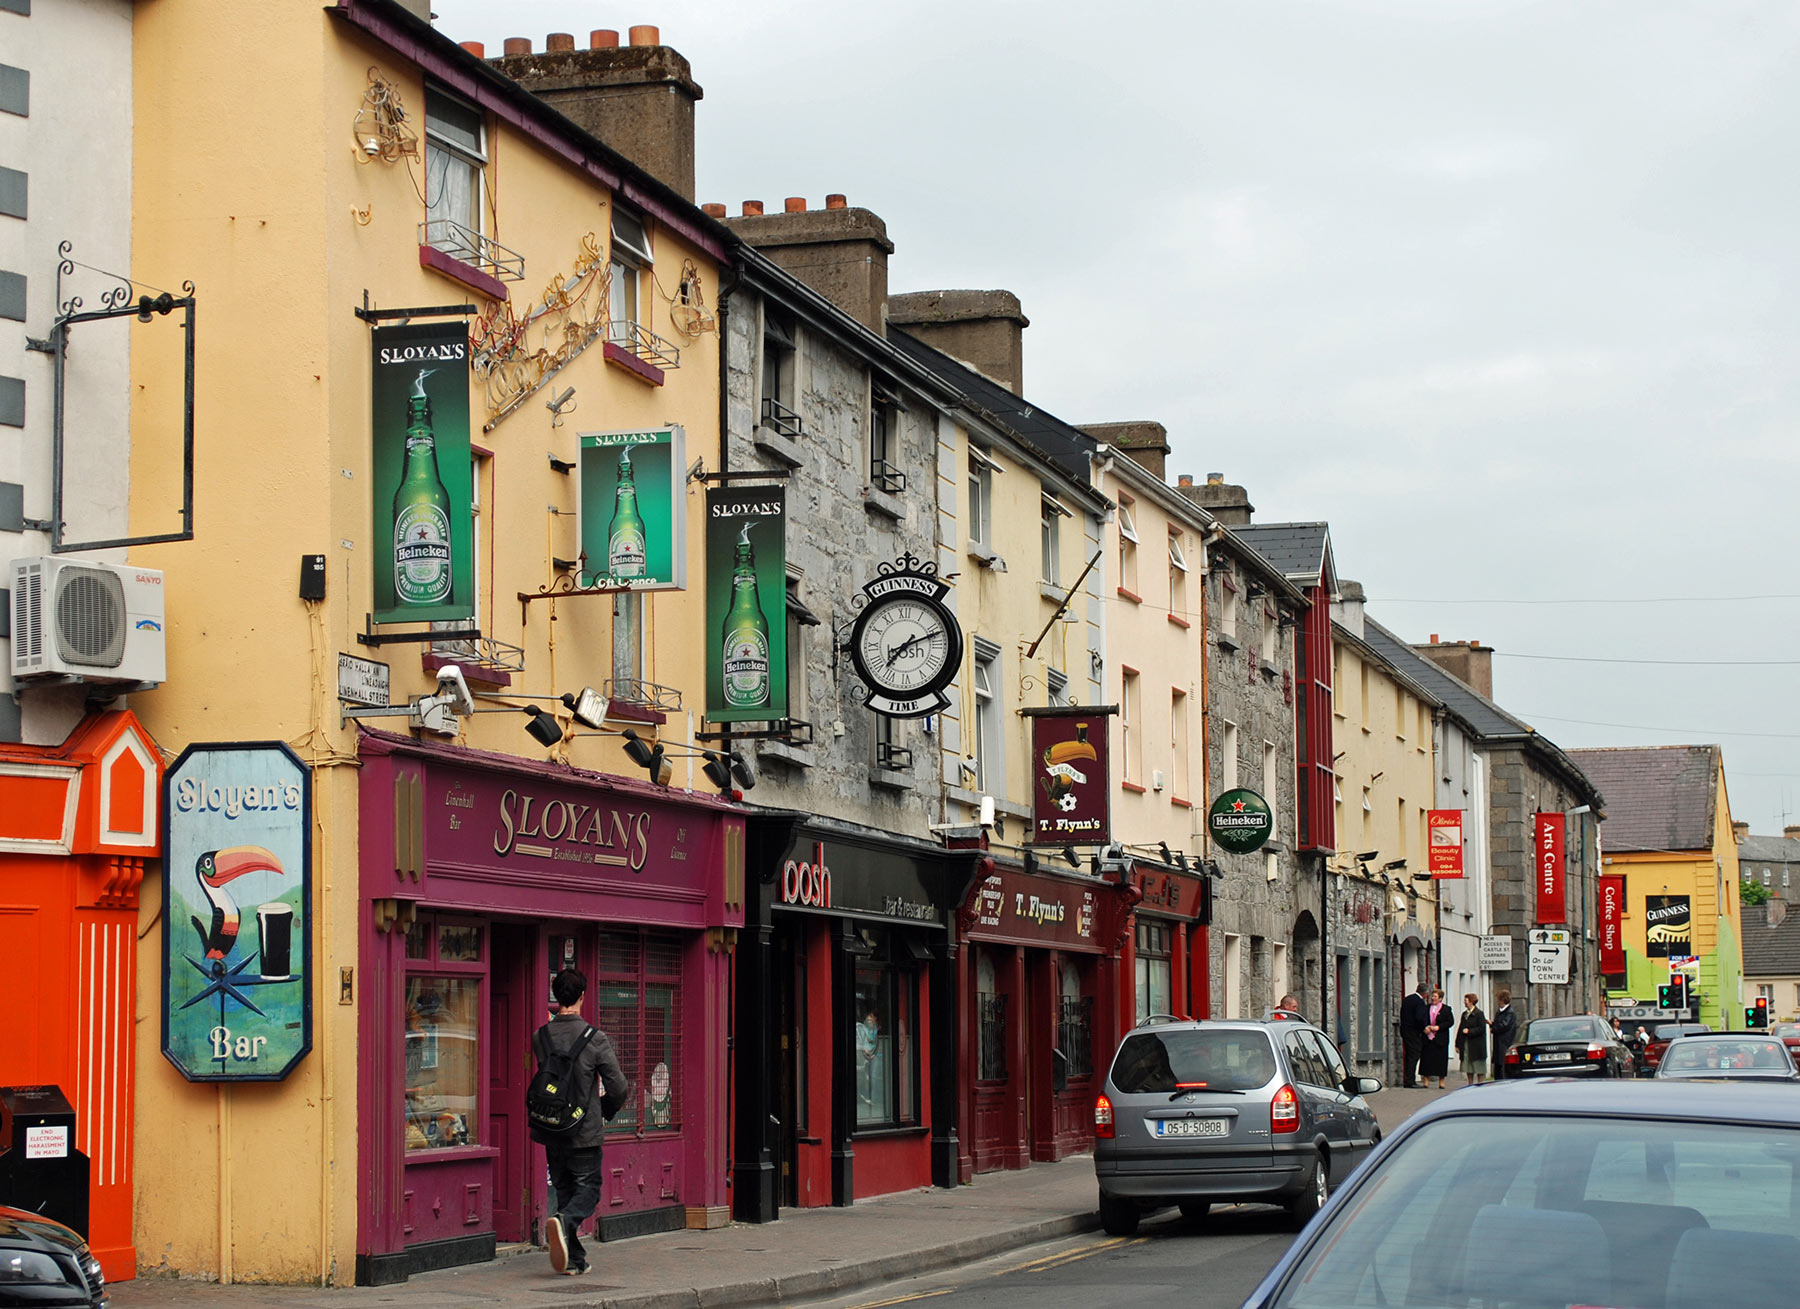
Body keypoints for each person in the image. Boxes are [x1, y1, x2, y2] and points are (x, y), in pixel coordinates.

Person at [534, 967, 630, 1278]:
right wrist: (602, 1111)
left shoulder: (541, 1036)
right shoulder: (595, 1038)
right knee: (589, 1190)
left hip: (551, 1127)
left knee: (564, 1189)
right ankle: (563, 1223)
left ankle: (574, 1260)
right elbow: (619, 1086)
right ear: (583, 997)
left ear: (556, 994)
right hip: (584, 1131)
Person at [1399, 980, 1430, 1088]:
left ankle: (1408, 1079)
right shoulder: (1419, 1002)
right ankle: (1410, 1080)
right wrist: (1424, 1028)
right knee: (1414, 1055)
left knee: (1409, 1054)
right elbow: (1419, 1018)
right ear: (1425, 994)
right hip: (1413, 1031)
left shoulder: (1407, 999)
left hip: (1405, 1029)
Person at [1420, 987, 1452, 1089]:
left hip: (1440, 1038)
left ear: (1440, 998)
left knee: (1440, 1060)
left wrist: (1439, 1027)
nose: (1433, 998)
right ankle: (1426, 1080)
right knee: (1426, 1059)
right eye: (1432, 996)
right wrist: (1425, 1027)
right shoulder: (1426, 1007)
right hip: (1428, 1037)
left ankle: (1441, 1081)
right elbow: (1422, 1019)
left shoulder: (1446, 1009)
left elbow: (1450, 1022)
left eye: (1435, 996)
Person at [1455, 992, 1490, 1086]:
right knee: (1467, 1064)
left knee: (1478, 1065)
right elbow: (1460, 1028)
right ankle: (1469, 1084)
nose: (1464, 1002)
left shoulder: (1479, 1014)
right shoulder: (1464, 1014)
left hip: (1477, 1045)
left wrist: (1470, 1031)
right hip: (1466, 1043)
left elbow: (1482, 1029)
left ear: (1471, 1002)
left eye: (1466, 1000)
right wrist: (1457, 1044)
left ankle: (1480, 1084)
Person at [1490, 988, 1518, 1081]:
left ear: (1503, 1000)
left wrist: (1493, 1027)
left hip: (1505, 1042)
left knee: (1502, 1064)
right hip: (1499, 1041)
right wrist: (1492, 1024)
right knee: (1497, 1064)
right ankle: (1497, 1080)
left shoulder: (1509, 1012)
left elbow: (1503, 1025)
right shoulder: (1500, 1011)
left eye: (1498, 999)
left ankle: (1502, 1081)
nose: (1497, 1002)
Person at [856, 1010, 880, 1108]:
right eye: (868, 1017)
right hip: (865, 1054)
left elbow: (872, 1042)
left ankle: (871, 1097)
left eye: (871, 1017)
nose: (869, 1019)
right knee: (866, 1076)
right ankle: (867, 1096)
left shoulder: (870, 1029)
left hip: (868, 1055)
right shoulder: (862, 1027)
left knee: (870, 1077)